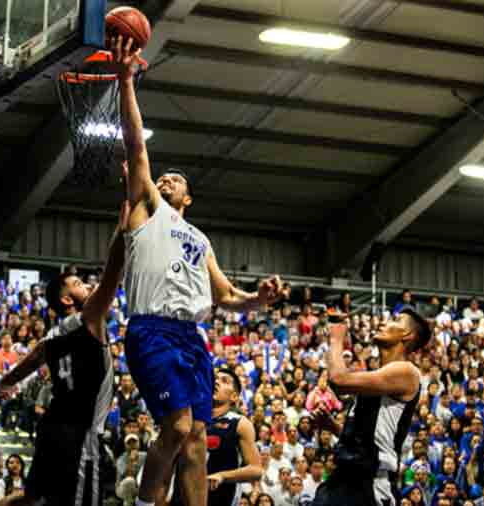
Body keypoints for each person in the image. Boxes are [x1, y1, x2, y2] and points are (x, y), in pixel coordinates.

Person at [112, 34, 285, 506]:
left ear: (187, 198)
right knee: (179, 426)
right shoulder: (147, 208)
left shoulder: (200, 238)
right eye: (161, 177)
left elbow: (227, 295)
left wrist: (259, 299)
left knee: (198, 439)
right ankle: (147, 503)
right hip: (152, 329)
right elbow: (134, 143)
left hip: (192, 336)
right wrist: (127, 80)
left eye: (176, 179)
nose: (165, 178)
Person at [0, 198, 130, 506]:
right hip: (81, 435)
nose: (86, 285)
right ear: (67, 300)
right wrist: (122, 229)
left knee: (31, 496)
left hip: (52, 428)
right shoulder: (89, 318)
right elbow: (112, 272)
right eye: (78, 283)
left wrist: (6, 381)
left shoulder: (53, 335)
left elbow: (31, 360)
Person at [310, 308, 431, 506]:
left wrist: (336, 338)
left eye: (395, 320)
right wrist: (333, 426)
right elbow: (370, 441)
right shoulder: (379, 377)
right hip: (343, 479)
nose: (384, 322)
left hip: (368, 484)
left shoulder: (406, 371)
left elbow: (339, 381)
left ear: (407, 335)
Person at [167, 368, 262, 506]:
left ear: (234, 397)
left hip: (220, 497)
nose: (216, 382)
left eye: (224, 381)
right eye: (215, 379)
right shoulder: (187, 419)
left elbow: (256, 470)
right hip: (181, 499)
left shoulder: (240, 423)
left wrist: (222, 476)